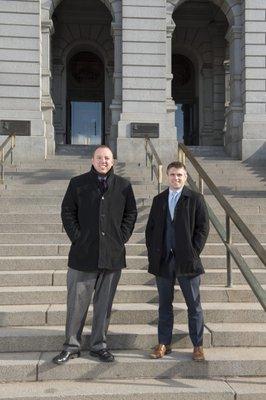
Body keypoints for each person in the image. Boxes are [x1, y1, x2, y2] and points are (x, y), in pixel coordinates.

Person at [53, 145, 137, 364]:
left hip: (112, 255)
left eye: (107, 158)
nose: (103, 161)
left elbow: (131, 214)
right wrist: (78, 238)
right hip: (83, 255)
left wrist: (121, 237)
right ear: (92, 160)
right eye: (99, 157)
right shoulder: (78, 183)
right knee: (76, 303)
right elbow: (67, 212)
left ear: (113, 161)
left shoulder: (124, 186)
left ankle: (99, 346)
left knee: (104, 304)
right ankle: (71, 346)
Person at [145, 161, 209, 361]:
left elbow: (203, 229)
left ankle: (197, 346)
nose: (176, 178)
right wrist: (154, 253)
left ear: (186, 177)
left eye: (180, 175)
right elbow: (151, 229)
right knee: (165, 305)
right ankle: (164, 343)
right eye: (172, 174)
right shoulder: (159, 200)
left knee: (194, 306)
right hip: (164, 261)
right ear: (167, 176)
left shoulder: (195, 198)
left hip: (187, 262)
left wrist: (193, 251)